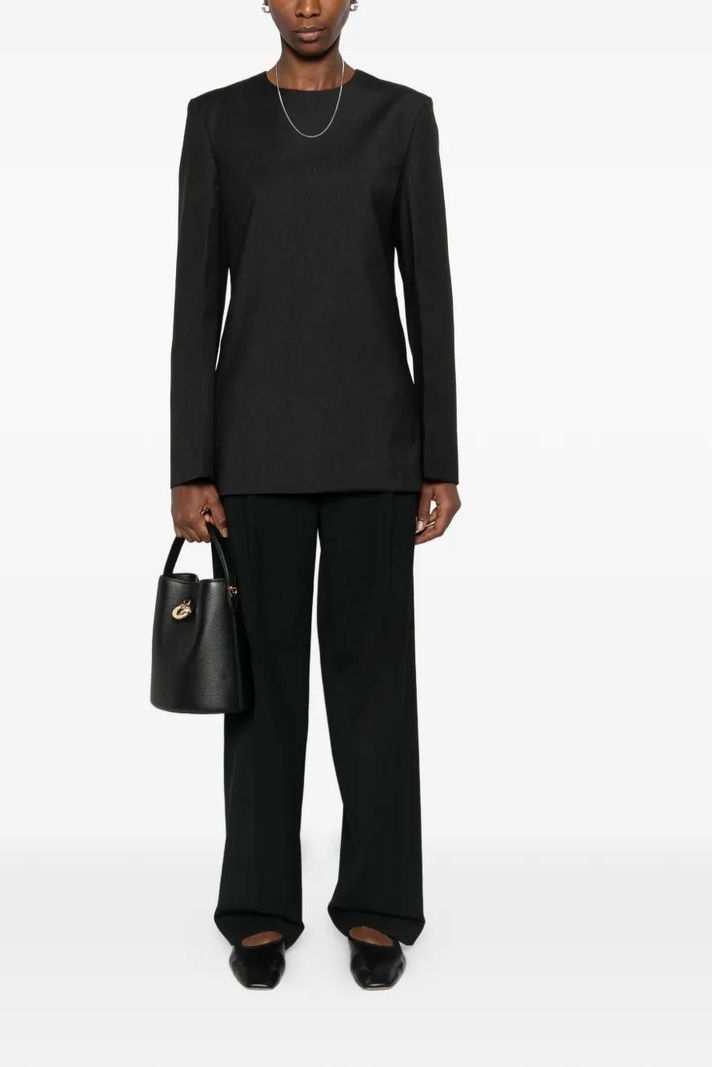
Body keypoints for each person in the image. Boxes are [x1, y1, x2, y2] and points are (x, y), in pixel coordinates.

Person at [168, 0, 460, 990]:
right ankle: (258, 905)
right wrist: (190, 464)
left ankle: (378, 902)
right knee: (260, 694)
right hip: (252, 451)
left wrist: (439, 455)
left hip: (377, 448)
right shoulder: (217, 121)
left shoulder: (402, 118)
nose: (306, 5)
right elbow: (193, 298)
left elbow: (430, 292)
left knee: (375, 691)